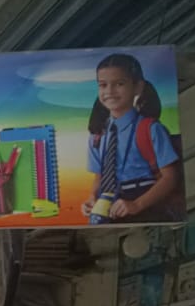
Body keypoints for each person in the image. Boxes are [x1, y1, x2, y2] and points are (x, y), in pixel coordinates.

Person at [79, 52, 184, 224]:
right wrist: (92, 197)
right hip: (111, 207)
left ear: (138, 87)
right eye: (103, 85)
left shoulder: (151, 129)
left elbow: (170, 178)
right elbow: (99, 177)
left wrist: (136, 204)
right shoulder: (97, 135)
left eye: (119, 83)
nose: (109, 91)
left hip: (146, 204)